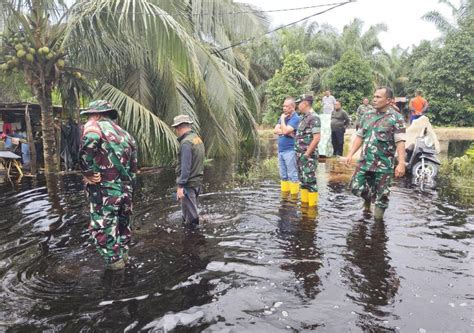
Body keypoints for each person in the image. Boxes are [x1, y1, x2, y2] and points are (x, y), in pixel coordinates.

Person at [79, 100, 138, 270]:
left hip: (105, 192)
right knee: (123, 230)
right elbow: (134, 169)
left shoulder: (94, 127)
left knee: (103, 233)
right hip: (126, 191)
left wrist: (88, 173)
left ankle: (117, 274)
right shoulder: (127, 135)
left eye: (89, 116)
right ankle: (126, 265)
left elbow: (87, 146)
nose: (88, 119)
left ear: (96, 115)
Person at [345, 87, 406, 221]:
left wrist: (401, 163)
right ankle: (370, 199)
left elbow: (400, 141)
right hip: (365, 161)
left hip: (383, 164)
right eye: (374, 96)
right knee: (355, 187)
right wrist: (350, 154)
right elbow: (360, 136)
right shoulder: (367, 115)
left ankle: (378, 225)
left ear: (388, 100)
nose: (374, 99)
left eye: (378, 97)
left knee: (382, 196)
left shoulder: (396, 118)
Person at [172, 115, 205, 226]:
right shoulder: (196, 138)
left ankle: (194, 240)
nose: (176, 131)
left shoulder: (186, 143)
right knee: (187, 215)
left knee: (191, 219)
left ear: (180, 127)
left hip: (188, 185)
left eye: (176, 128)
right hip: (197, 182)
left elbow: (186, 167)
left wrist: (180, 186)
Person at [295, 94, 321, 207]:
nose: (297, 106)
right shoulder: (303, 118)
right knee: (303, 182)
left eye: (299, 103)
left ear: (305, 103)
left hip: (308, 156)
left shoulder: (314, 117)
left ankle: (312, 211)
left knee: (310, 182)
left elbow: (316, 138)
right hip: (300, 155)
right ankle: (305, 207)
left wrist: (306, 154)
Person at [274, 97, 300, 196]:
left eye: (286, 106)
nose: (284, 108)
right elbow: (275, 130)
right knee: (283, 175)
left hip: (290, 150)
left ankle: (293, 199)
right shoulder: (284, 117)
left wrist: (282, 121)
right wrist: (285, 132)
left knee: (292, 175)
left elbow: (284, 130)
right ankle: (285, 198)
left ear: (292, 107)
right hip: (281, 150)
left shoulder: (295, 118)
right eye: (283, 106)